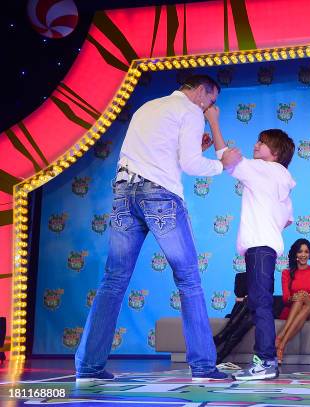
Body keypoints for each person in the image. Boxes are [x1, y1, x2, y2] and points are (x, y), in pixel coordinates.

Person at [75, 75, 241, 382]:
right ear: (201, 90)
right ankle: (204, 367)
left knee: (113, 281)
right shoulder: (191, 111)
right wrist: (223, 164)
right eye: (212, 100)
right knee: (189, 279)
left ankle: (88, 367)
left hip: (124, 194)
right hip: (160, 198)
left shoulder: (148, 107)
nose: (210, 107)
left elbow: (161, 157)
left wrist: (195, 147)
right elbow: (190, 166)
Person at [208, 113, 296, 381]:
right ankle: (266, 362)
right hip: (265, 248)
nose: (256, 145)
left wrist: (213, 121)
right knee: (260, 304)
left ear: (276, 152)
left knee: (260, 305)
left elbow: (227, 157)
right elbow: (287, 220)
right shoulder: (282, 178)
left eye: (262, 142)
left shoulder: (265, 170)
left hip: (259, 248)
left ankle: (266, 362)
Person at [276, 238, 310, 363]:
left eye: (306, 252)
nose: (303, 255)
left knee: (303, 299)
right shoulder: (286, 273)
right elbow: (286, 298)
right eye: (300, 252)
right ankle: (281, 347)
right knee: (301, 300)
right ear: (295, 254)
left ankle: (281, 336)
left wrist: (306, 296)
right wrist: (294, 297)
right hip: (294, 309)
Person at [213, 272, 252, 365]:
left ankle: (221, 337)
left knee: (250, 304)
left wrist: (245, 299)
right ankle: (221, 354)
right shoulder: (243, 276)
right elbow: (239, 293)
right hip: (248, 308)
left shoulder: (266, 275)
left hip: (261, 308)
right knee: (248, 312)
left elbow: (267, 295)